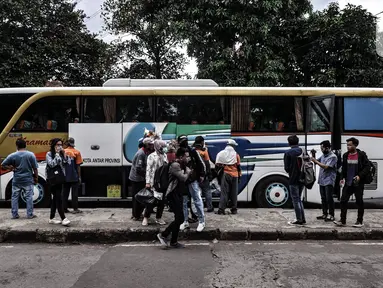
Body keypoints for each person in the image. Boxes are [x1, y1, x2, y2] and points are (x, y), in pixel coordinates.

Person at [157, 148, 192, 248]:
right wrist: (188, 172)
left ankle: (174, 241)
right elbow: (183, 178)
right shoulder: (175, 165)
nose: (188, 158)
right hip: (173, 194)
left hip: (179, 194)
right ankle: (163, 235)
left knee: (179, 218)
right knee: (180, 218)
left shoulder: (182, 165)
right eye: (186, 156)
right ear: (181, 157)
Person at [334, 137, 370, 228]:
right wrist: (342, 178)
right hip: (348, 182)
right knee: (343, 201)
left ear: (355, 145)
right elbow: (344, 169)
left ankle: (359, 221)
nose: (348, 147)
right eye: (347, 145)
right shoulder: (345, 155)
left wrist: (359, 176)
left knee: (359, 202)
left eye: (350, 145)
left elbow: (367, 167)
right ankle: (342, 220)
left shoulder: (361, 155)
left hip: (358, 183)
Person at [1, 138, 38, 219]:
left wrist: (11, 168)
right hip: (28, 180)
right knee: (29, 197)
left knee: (14, 197)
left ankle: (15, 215)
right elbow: (35, 168)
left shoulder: (12, 155)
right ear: (25, 145)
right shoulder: (31, 155)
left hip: (17, 180)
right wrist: (36, 178)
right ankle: (30, 214)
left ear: (17, 146)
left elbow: (3, 165)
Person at [177, 135, 206, 232]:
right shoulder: (178, 153)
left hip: (192, 180)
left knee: (197, 200)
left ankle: (202, 221)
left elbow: (201, 164)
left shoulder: (193, 152)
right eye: (182, 141)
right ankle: (185, 221)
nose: (184, 143)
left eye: (185, 141)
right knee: (184, 202)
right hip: (183, 181)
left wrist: (202, 175)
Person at [143, 140, 168, 226]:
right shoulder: (151, 156)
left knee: (162, 201)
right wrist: (148, 182)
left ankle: (158, 217)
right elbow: (148, 170)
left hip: (163, 182)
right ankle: (146, 217)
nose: (164, 148)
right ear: (158, 146)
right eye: (163, 146)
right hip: (154, 182)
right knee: (152, 201)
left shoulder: (165, 156)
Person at [46, 138, 70, 226]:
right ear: (53, 145)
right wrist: (56, 155)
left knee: (55, 198)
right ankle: (63, 218)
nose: (59, 146)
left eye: (61, 145)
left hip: (60, 178)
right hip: (52, 179)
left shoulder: (61, 153)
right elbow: (51, 164)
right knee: (58, 198)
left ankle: (51, 218)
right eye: (58, 145)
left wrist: (64, 154)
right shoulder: (49, 154)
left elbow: (67, 163)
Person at [311, 140, 337, 222]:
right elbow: (316, 162)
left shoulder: (333, 157)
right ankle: (324, 213)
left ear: (327, 148)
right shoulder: (323, 156)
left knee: (329, 198)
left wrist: (316, 161)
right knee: (323, 198)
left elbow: (326, 167)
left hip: (329, 180)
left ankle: (331, 215)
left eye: (322, 148)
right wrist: (313, 155)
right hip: (322, 180)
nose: (321, 150)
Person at [129, 137, 154, 220]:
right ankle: (136, 215)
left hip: (139, 178)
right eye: (150, 144)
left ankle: (136, 214)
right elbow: (138, 168)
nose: (152, 146)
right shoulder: (141, 154)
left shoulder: (145, 152)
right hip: (137, 179)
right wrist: (146, 175)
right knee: (137, 197)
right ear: (146, 145)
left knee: (139, 197)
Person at [284, 135, 306, 225]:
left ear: (289, 143)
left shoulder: (288, 153)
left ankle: (299, 219)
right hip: (303, 178)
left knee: (295, 200)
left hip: (293, 179)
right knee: (299, 199)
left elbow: (287, 168)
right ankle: (303, 218)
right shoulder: (302, 151)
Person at [215, 139, 241, 215]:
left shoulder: (221, 153)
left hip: (226, 174)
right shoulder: (236, 155)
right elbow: (238, 166)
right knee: (234, 193)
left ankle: (221, 209)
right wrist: (239, 176)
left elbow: (217, 164)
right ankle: (234, 209)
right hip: (235, 175)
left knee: (224, 192)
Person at [193, 136, 214, 212]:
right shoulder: (204, 151)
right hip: (203, 175)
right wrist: (209, 174)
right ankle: (209, 207)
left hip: (194, 175)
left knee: (196, 192)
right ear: (202, 142)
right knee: (207, 191)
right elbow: (207, 164)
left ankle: (197, 208)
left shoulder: (193, 151)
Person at [63, 137, 83, 214]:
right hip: (74, 176)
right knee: (74, 193)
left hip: (65, 176)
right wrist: (79, 176)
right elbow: (78, 166)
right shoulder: (77, 152)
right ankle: (75, 209)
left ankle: (64, 208)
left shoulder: (63, 152)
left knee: (65, 193)